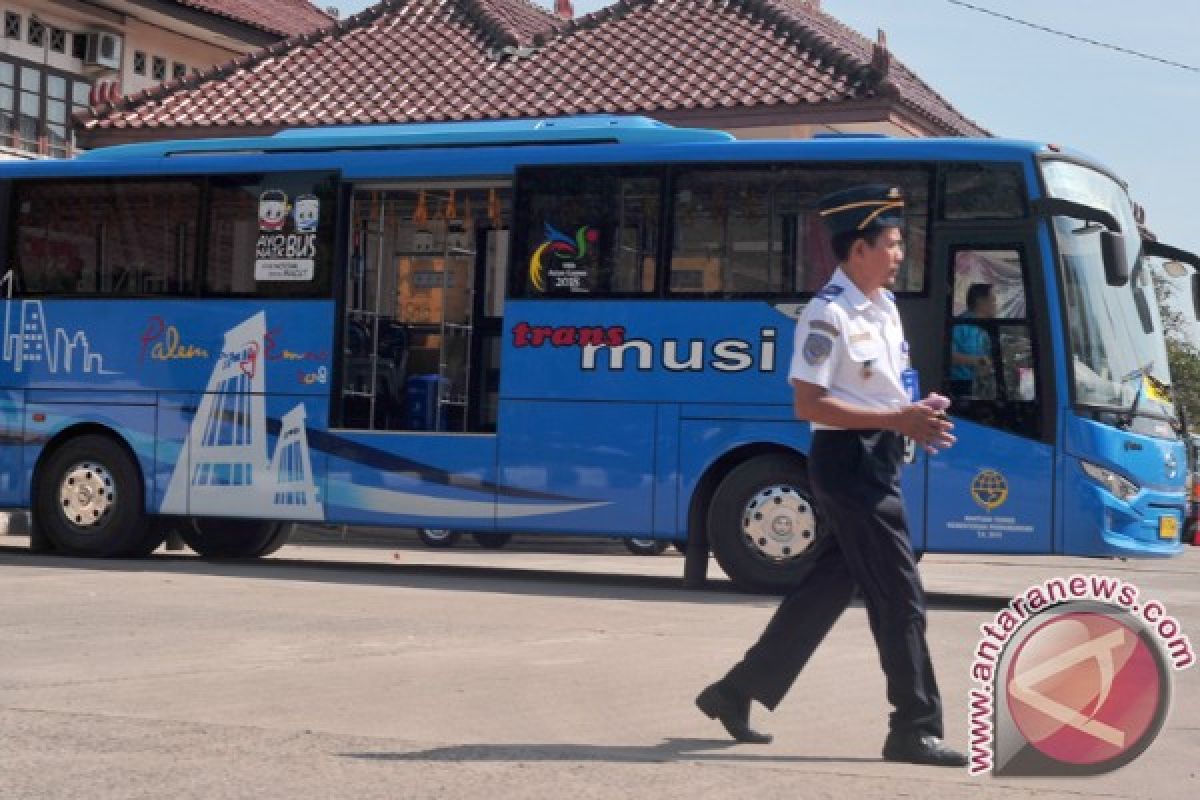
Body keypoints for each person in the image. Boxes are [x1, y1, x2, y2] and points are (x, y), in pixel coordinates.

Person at [694, 184, 967, 768]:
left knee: (824, 592)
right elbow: (810, 405)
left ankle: (735, 692)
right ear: (859, 249)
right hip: (849, 464)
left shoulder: (884, 307)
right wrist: (898, 418)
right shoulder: (829, 313)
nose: (899, 253)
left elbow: (887, 387)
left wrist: (915, 412)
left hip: (879, 457)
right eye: (891, 244)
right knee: (899, 595)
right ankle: (914, 728)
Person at [949, 282, 996, 398]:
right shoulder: (959, 325)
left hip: (986, 385)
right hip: (962, 388)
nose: (995, 305)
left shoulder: (991, 326)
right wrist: (978, 361)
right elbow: (948, 355)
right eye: (993, 301)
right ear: (980, 301)